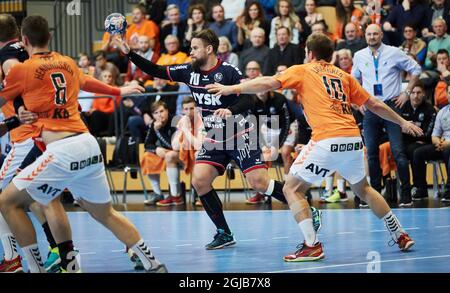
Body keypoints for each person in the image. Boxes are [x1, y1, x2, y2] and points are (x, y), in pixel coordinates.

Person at [206, 32, 421, 261]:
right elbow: (374, 104)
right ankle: (400, 234)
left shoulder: (304, 69)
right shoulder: (343, 75)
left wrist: (231, 89)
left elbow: (269, 81)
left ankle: (312, 245)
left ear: (309, 53)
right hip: (352, 139)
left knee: (291, 189)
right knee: (364, 190)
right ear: (330, 55)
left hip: (327, 139)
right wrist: (402, 121)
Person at [113, 28, 322, 249]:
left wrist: (231, 111)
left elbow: (249, 101)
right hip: (215, 136)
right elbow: (156, 70)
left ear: (209, 49)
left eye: (194, 48)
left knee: (259, 183)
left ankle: (306, 207)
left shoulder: (228, 71)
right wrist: (130, 53)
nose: (190, 52)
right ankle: (224, 232)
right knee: (199, 181)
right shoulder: (188, 71)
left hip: (241, 132)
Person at [0, 15, 167, 273]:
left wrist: (15, 112)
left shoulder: (21, 69)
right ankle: (153, 264)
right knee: (103, 213)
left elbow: (4, 96)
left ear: (24, 40)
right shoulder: (66, 62)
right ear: (50, 37)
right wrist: (120, 91)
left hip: (60, 150)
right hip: (88, 145)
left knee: (7, 202)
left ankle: (33, 267)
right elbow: (89, 82)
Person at [352, 24, 422, 207]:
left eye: (375, 33)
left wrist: (406, 92)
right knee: (371, 153)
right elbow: (353, 81)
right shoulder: (359, 55)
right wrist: (358, 101)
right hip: (371, 106)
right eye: (369, 34)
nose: (372, 37)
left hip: (391, 105)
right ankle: (374, 195)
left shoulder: (394, 52)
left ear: (381, 35)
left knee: (398, 152)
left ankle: (406, 195)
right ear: (365, 36)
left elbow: (416, 70)